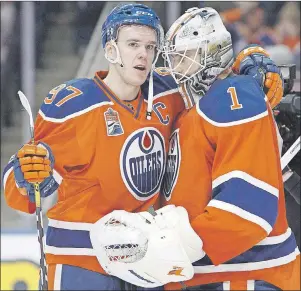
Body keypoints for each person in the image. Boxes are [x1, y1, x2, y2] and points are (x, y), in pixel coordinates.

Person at [2, 3, 285, 291]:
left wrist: (253, 58)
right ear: (110, 49)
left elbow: (213, 67)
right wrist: (26, 174)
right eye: (133, 44)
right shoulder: (75, 106)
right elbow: (20, 188)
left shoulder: (168, 91)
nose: (142, 54)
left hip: (147, 262)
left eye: (150, 46)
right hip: (83, 261)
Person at [159, 7, 300, 291]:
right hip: (214, 271)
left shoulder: (232, 96)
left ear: (210, 55)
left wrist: (176, 247)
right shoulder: (194, 106)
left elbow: (247, 209)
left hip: (247, 273)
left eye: (183, 57)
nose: (176, 67)